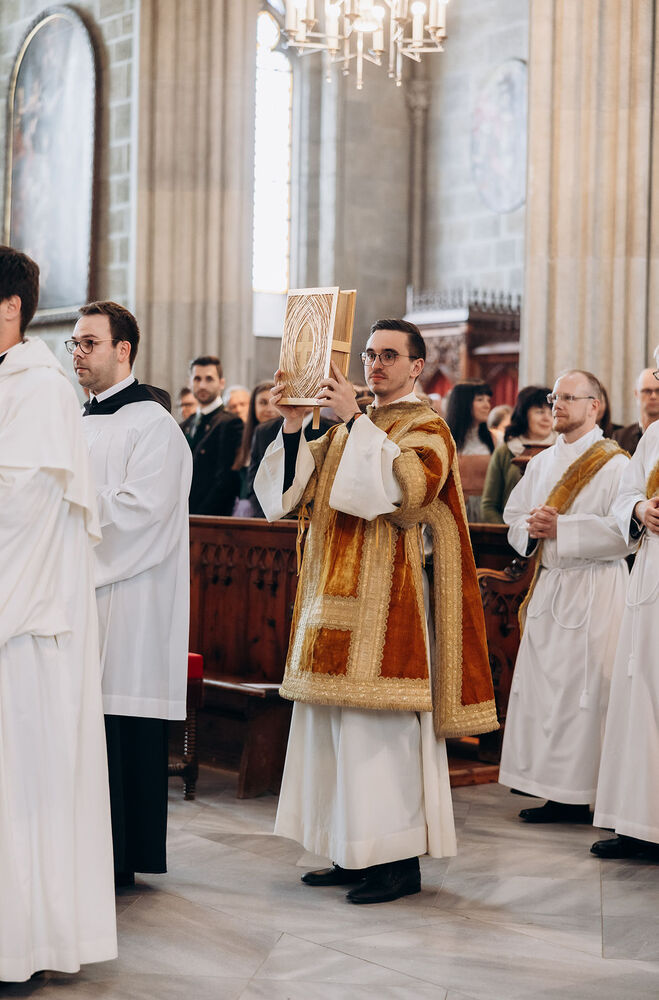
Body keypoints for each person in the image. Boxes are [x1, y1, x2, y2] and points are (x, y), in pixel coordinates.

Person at [255, 318, 497, 904]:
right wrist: (294, 425)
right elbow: (288, 496)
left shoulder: (427, 427)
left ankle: (395, 865)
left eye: (389, 355)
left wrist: (353, 421)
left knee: (378, 744)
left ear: (417, 366)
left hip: (391, 614)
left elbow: (403, 495)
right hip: (331, 603)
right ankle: (350, 851)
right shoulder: (350, 428)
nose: (375, 364)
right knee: (334, 738)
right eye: (369, 354)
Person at [0, 246, 116, 980]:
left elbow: (21, 509)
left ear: (10, 306)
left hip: (18, 628)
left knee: (19, 791)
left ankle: (20, 946)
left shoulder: (37, 389)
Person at [70, 300, 192, 887]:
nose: (77, 353)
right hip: (78, 596)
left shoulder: (153, 425)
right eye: (74, 343)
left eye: (88, 343)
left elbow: (142, 512)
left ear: (123, 350)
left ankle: (120, 857)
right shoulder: (76, 421)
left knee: (119, 725)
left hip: (129, 603)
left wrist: (62, 516)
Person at [499, 370, 634, 822]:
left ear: (595, 406)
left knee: (588, 692)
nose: (556, 404)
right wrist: (531, 529)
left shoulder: (616, 464)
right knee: (546, 692)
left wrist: (564, 528)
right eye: (554, 397)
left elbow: (625, 534)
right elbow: (513, 515)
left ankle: (587, 793)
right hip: (552, 583)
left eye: (568, 398)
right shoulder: (540, 463)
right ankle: (554, 790)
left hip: (596, 587)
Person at [592, 354, 659, 859]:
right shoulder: (654, 436)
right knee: (640, 695)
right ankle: (638, 823)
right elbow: (625, 495)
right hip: (650, 580)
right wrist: (640, 508)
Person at [480, 386, 554, 523]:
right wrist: (509, 531)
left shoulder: (562, 448)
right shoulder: (505, 451)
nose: (547, 418)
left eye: (551, 412)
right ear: (524, 414)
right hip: (510, 530)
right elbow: (489, 505)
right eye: (540, 412)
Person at [181, 355, 243, 515]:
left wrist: (199, 516)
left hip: (210, 518)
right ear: (190, 383)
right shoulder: (185, 425)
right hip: (181, 514)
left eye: (209, 379)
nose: (202, 385)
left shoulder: (230, 422)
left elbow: (226, 480)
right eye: (197, 379)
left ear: (221, 383)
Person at [445, 379, 495, 520]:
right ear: (463, 403)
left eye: (488, 400)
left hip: (485, 510)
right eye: (480, 400)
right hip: (454, 510)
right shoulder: (445, 439)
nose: (487, 405)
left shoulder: (494, 440)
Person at [231, 380, 280, 516]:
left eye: (275, 403)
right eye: (263, 403)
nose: (270, 409)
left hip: (266, 512)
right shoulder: (243, 436)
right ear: (253, 406)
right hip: (239, 510)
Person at [612, 367, 659, 454]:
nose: (653, 396)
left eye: (658, 391)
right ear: (637, 394)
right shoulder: (620, 437)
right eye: (647, 391)